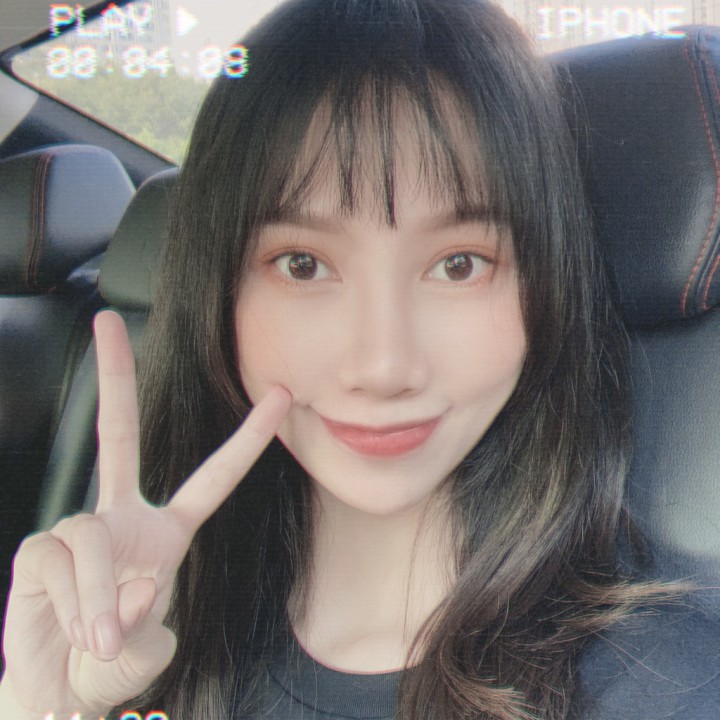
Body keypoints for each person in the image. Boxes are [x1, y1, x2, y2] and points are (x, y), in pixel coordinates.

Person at [0, 0, 691, 718]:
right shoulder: (145, 628)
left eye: (459, 264)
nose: (383, 367)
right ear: (216, 291)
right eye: (302, 264)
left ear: (547, 284)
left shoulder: (667, 687)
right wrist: (46, 705)